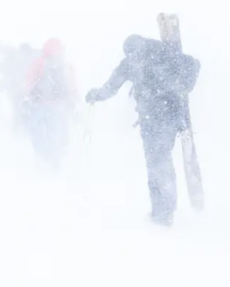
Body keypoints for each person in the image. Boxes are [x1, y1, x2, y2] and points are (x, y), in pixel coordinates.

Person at [85, 35, 200, 226]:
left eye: (136, 54)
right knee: (156, 162)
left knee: (159, 162)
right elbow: (111, 86)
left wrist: (182, 87)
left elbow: (194, 65)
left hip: (165, 116)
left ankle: (164, 214)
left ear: (142, 48)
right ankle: (162, 211)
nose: (134, 58)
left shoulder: (162, 53)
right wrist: (96, 95)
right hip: (153, 119)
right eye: (131, 55)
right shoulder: (139, 60)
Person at [23, 38, 78, 168]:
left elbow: (29, 81)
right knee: (58, 133)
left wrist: (29, 96)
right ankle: (57, 157)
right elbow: (72, 84)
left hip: (40, 105)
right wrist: (73, 100)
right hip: (59, 105)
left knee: (38, 132)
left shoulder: (39, 63)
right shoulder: (65, 65)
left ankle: (43, 156)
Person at [0, 41, 38, 132]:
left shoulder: (12, 55)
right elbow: (5, 71)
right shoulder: (14, 55)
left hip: (20, 91)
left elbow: (5, 70)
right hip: (23, 90)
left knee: (19, 113)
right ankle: (22, 131)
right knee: (21, 112)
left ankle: (20, 132)